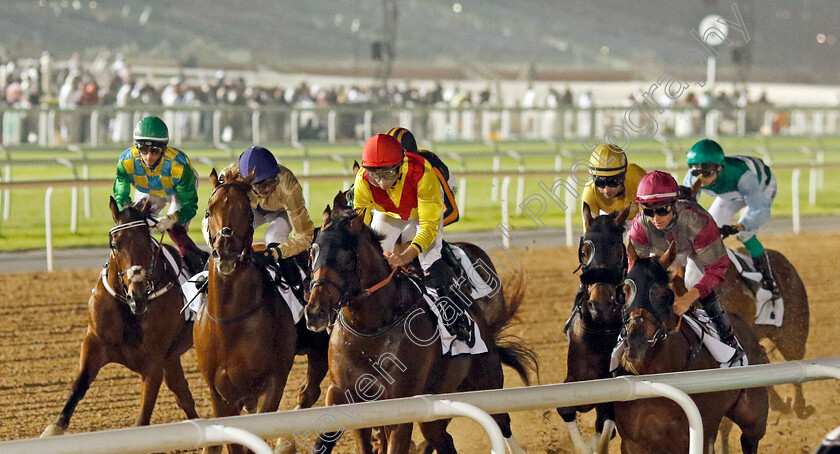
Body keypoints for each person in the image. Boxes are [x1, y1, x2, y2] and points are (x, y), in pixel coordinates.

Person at [353, 133, 474, 345]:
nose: (381, 182)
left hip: (421, 211)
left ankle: (453, 313)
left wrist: (406, 254)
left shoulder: (423, 173)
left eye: (388, 173)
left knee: (430, 257)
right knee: (371, 251)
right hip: (389, 212)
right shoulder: (363, 178)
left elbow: (429, 227)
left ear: (400, 166)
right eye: (375, 175)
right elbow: (358, 224)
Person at [629, 171, 744, 365]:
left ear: (674, 205)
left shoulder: (697, 220)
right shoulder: (639, 226)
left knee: (692, 282)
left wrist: (687, 299)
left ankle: (728, 338)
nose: (655, 218)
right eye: (649, 211)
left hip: (695, 251)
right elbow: (635, 269)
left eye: (662, 210)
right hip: (662, 254)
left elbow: (717, 267)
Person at [682, 138, 780, 303]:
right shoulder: (694, 177)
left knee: (745, 234)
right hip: (730, 193)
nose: (701, 179)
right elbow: (686, 208)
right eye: (696, 173)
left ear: (719, 168)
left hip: (760, 188)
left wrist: (738, 226)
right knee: (707, 232)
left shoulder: (743, 176)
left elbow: (761, 210)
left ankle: (769, 282)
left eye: (707, 174)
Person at [113, 116, 208, 275]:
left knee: (174, 227)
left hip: (177, 189)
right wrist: (127, 212)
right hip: (150, 187)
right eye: (143, 149)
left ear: (163, 149)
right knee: (138, 224)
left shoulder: (179, 166)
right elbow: (120, 195)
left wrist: (172, 218)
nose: (148, 156)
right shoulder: (126, 161)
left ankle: (195, 259)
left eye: (155, 151)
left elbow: (189, 207)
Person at [215, 146, 315, 268]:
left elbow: (305, 236)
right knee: (231, 232)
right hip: (249, 210)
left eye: (271, 180)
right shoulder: (228, 177)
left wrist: (275, 253)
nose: (267, 188)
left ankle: (291, 282)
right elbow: (210, 221)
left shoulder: (288, 186)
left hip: (282, 212)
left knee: (273, 235)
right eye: (260, 183)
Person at [386, 127, 459, 226]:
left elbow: (453, 213)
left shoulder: (429, 168)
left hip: (441, 187)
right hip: (416, 190)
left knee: (414, 229)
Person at [580, 143, 646, 231]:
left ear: (623, 177)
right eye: (600, 183)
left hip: (640, 219)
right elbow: (589, 233)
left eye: (612, 182)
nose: (606, 190)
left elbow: (648, 224)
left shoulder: (639, 179)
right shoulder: (590, 191)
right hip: (613, 222)